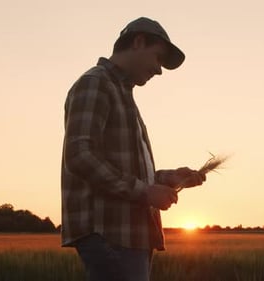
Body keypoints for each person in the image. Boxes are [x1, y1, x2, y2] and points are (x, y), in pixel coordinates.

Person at [61, 17, 206, 281]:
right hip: (110, 233)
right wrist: (145, 191)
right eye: (158, 58)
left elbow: (123, 168)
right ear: (138, 42)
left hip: (126, 234)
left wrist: (167, 178)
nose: (159, 70)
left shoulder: (121, 93)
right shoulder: (96, 83)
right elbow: (79, 155)